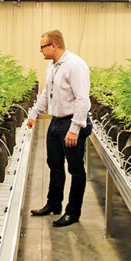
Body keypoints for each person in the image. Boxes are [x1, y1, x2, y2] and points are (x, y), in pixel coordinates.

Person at [26, 29, 92, 227]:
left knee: (75, 169)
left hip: (72, 122)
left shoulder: (75, 65)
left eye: (42, 47)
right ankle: (54, 204)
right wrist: (34, 114)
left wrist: (75, 129)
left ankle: (73, 212)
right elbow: (47, 92)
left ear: (53, 45)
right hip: (56, 122)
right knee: (54, 165)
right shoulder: (52, 66)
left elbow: (82, 99)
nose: (40, 51)